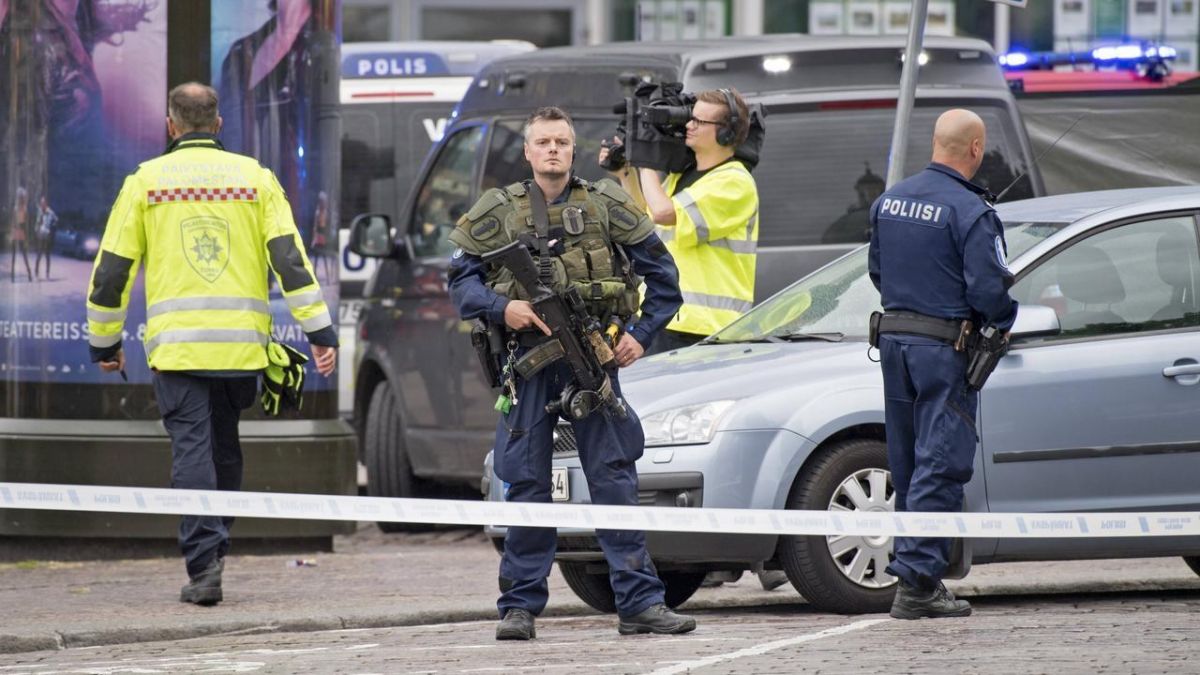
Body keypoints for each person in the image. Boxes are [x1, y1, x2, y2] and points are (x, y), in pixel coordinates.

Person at [85, 82, 337, 606]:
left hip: (178, 351)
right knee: (224, 448)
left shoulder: (146, 182)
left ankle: (204, 566)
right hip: (240, 351)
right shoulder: (255, 178)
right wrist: (319, 333)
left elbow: (111, 273)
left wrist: (104, 344)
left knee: (192, 451)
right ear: (218, 124)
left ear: (171, 126)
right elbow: (290, 261)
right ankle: (215, 550)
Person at [448, 106, 695, 640]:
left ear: (572, 149)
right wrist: (503, 308)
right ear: (528, 151)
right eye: (543, 142)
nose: (553, 150)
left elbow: (665, 279)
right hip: (528, 363)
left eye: (561, 141)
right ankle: (519, 607)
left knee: (614, 478)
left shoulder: (606, 204)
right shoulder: (498, 210)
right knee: (526, 481)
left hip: (593, 359)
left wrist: (639, 335)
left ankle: (639, 603)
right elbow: (460, 283)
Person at [868, 109, 1018, 619]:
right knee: (941, 460)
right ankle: (917, 584)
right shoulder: (971, 211)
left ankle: (917, 574)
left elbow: (877, 271)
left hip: (894, 344)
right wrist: (1003, 319)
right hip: (944, 351)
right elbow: (989, 290)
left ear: (936, 142)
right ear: (975, 149)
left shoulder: (890, 200)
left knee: (907, 462)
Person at [606, 88, 759, 354]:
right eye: (691, 118)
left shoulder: (734, 181)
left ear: (726, 132)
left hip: (705, 329)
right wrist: (625, 173)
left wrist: (646, 159)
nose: (689, 125)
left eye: (699, 121)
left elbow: (664, 213)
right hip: (668, 317)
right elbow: (645, 219)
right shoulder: (683, 177)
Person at [9, 185, 33, 283]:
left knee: (23, 254)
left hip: (20, 231)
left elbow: (26, 223)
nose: (20, 198)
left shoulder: (24, 208)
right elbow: (13, 221)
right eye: (19, 197)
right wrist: (12, 233)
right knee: (15, 254)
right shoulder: (16, 208)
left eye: (21, 197)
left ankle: (29, 273)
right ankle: (13, 275)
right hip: (17, 231)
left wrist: (26, 236)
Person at [34, 195, 58, 280]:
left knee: (47, 255)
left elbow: (56, 220)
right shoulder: (40, 212)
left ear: (46, 203)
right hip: (41, 235)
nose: (42, 204)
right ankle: (36, 273)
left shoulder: (50, 212)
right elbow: (37, 222)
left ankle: (47, 274)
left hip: (47, 235)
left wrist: (51, 229)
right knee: (39, 254)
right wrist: (37, 230)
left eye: (43, 203)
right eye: (41, 203)